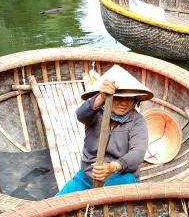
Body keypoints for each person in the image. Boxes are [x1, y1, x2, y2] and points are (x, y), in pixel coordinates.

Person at [56, 65, 153, 196]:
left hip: (120, 177)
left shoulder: (138, 121)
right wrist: (101, 97)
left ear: (135, 100)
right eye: (118, 97)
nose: (124, 103)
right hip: (87, 177)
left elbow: (137, 153)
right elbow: (81, 115)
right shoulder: (95, 113)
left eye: (129, 98)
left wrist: (112, 167)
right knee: (56, 203)